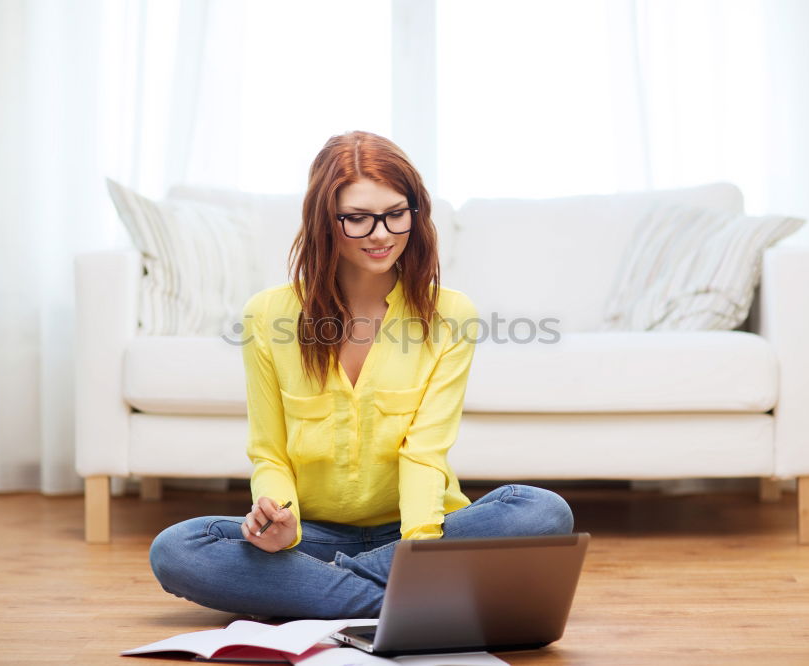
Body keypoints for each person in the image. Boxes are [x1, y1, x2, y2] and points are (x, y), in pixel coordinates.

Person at [149, 130, 574, 619]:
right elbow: (269, 450)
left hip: (422, 530)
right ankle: (426, 598)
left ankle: (332, 589)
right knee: (177, 548)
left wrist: (418, 550)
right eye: (357, 218)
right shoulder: (267, 315)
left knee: (542, 511)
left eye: (396, 213)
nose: (381, 233)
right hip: (312, 535)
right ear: (324, 222)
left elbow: (425, 453)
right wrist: (279, 517)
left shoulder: (451, 314)